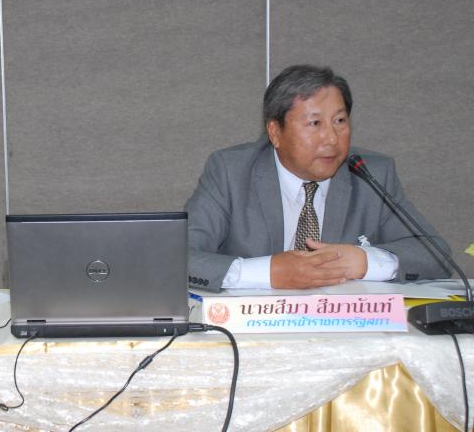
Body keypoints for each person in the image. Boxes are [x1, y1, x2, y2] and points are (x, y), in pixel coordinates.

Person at [186, 64, 451, 292]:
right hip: (254, 324)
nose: (332, 139)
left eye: (340, 121)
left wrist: (366, 261)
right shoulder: (231, 172)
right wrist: (270, 272)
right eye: (315, 123)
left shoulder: (371, 173)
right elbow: (179, 257)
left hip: (343, 326)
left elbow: (435, 255)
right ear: (275, 132)